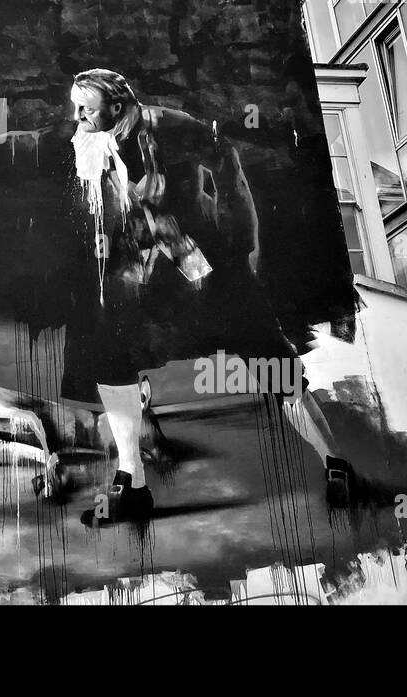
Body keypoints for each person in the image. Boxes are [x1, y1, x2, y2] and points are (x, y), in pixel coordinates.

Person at [61, 68, 325, 528]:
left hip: (209, 268)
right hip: (148, 279)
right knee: (108, 353)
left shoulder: (173, 127)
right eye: (75, 106)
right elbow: (25, 143)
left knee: (271, 358)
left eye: (86, 106)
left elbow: (228, 164)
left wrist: (240, 244)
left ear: (117, 107)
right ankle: (133, 483)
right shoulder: (90, 140)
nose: (77, 114)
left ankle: (333, 461)